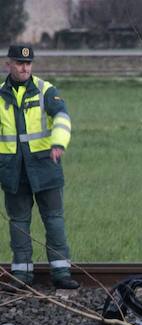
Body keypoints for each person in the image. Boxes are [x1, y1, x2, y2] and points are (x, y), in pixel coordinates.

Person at [0, 45, 79, 289]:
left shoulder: (46, 90)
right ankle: (21, 275)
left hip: (45, 166)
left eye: (28, 63)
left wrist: (59, 143)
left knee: (54, 220)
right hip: (13, 171)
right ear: (8, 64)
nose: (25, 67)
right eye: (19, 63)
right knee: (19, 223)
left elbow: (62, 117)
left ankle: (61, 273)